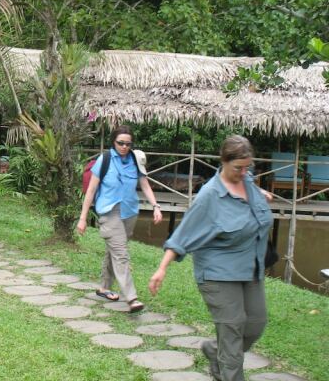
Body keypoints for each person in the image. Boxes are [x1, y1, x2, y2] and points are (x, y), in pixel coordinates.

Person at [148, 135, 274, 381]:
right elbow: (182, 235)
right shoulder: (209, 196)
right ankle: (228, 369)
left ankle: (215, 352)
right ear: (224, 162)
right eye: (238, 167)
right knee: (233, 329)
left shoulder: (246, 180)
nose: (244, 172)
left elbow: (248, 185)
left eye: (248, 167)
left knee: (256, 324)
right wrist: (161, 269)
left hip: (250, 268)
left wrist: (260, 192)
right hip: (218, 273)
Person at [77, 125, 163, 313]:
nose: (124, 147)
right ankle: (132, 298)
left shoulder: (135, 159)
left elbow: (145, 184)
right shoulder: (105, 159)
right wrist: (83, 218)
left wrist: (156, 206)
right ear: (113, 142)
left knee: (114, 250)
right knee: (121, 254)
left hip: (129, 211)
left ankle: (104, 287)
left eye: (128, 144)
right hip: (109, 212)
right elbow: (91, 190)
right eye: (120, 143)